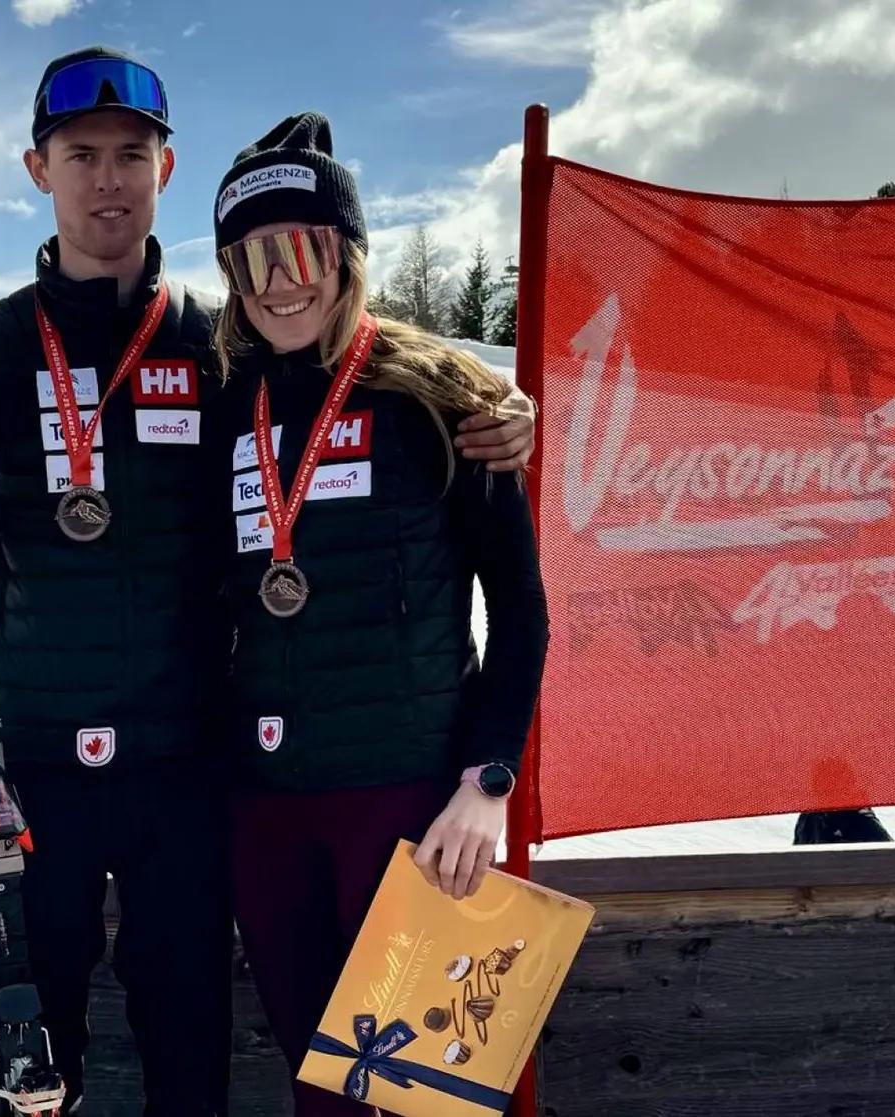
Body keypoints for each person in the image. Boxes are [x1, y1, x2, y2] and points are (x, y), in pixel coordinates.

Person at [0, 49, 535, 1115]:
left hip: (190, 769)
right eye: (80, 155)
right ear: (37, 167)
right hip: (33, 766)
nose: (107, 180)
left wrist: (495, 406)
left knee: (199, 1043)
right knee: (39, 1058)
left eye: (130, 156)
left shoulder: (215, 350)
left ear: (164, 171)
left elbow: (350, 372)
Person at [205, 113, 549, 1117]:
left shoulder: (443, 396)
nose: (280, 283)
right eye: (253, 260)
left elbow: (520, 615)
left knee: (419, 1097)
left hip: (409, 809)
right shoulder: (225, 403)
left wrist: (487, 782)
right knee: (323, 1089)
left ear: (347, 254)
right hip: (268, 810)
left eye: (303, 250)